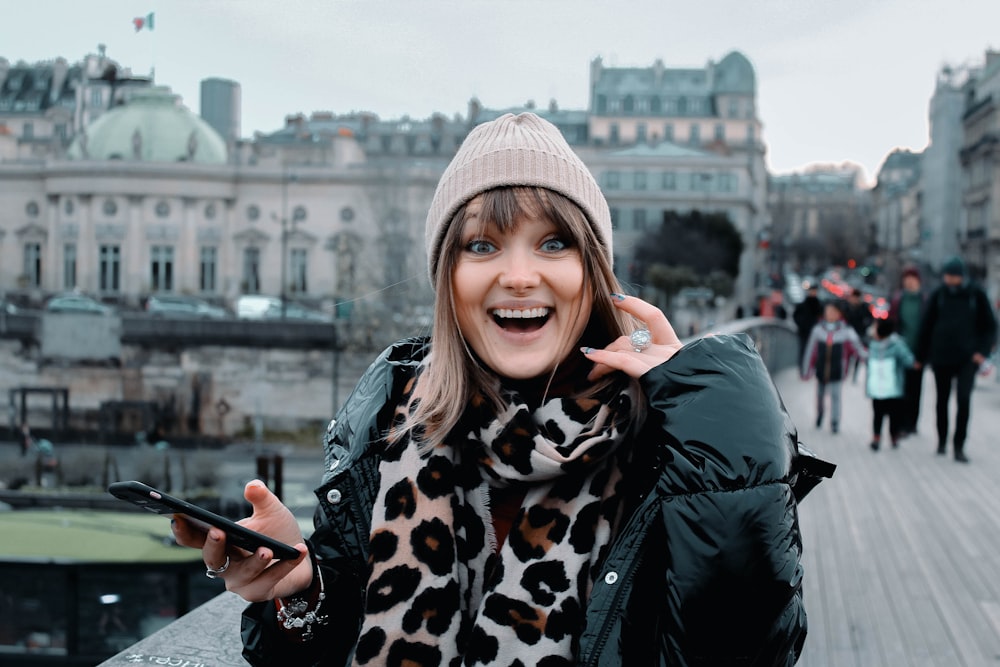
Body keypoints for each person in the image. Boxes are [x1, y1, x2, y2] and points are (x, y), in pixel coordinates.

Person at [173, 112, 833, 665]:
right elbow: (320, 643)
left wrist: (720, 405)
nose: (519, 275)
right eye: (482, 246)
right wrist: (299, 594)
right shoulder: (389, 425)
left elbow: (745, 648)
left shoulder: (674, 440)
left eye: (552, 243)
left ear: (594, 271)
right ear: (447, 281)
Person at [915, 256, 997, 463]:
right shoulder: (938, 295)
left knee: (963, 400)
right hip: (941, 357)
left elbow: (990, 327)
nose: (948, 280)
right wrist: (920, 356)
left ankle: (959, 445)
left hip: (967, 359)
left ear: (961, 277)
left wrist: (982, 352)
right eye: (946, 276)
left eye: (952, 276)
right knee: (941, 401)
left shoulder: (976, 294)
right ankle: (942, 440)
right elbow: (925, 326)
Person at [801, 300, 867, 434]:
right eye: (828, 311)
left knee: (836, 396)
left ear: (839, 314)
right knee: (820, 395)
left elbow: (857, 347)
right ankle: (820, 414)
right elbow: (810, 350)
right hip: (821, 369)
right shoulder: (818, 330)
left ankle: (835, 422)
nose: (830, 314)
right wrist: (806, 369)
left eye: (833, 312)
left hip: (838, 370)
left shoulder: (846, 331)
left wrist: (868, 358)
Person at [865, 318, 915, 451]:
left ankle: (894, 436)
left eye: (875, 327)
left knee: (894, 416)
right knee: (877, 414)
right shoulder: (872, 345)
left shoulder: (897, 345)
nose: (872, 330)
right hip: (877, 389)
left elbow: (908, 360)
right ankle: (876, 437)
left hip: (893, 389)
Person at [888, 265, 927, 437]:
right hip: (901, 352)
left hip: (919, 351)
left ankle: (912, 423)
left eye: (912, 278)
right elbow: (891, 324)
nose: (909, 282)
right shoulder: (898, 300)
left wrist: (924, 354)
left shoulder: (924, 301)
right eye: (906, 278)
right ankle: (902, 424)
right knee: (902, 388)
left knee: (916, 388)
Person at [843, 287, 874, 383]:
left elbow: (870, 319)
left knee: (860, 355)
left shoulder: (864, 307)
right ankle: (845, 373)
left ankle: (855, 376)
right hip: (848, 335)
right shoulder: (846, 307)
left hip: (861, 334)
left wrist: (865, 324)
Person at [793, 283, 823, 365]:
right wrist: (801, 324)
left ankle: (812, 367)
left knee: (814, 350)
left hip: (816, 332)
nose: (813, 293)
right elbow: (795, 316)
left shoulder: (819, 305)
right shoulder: (803, 304)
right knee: (804, 350)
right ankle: (802, 366)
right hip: (804, 332)